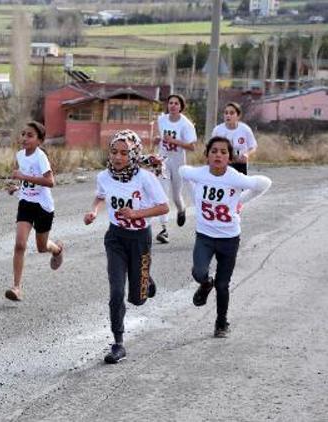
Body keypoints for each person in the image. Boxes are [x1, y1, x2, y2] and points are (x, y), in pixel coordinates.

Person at [84, 130, 169, 364]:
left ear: (133, 154)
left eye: (124, 153)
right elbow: (100, 196)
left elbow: (163, 208)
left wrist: (136, 214)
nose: (118, 157)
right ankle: (118, 343)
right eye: (114, 152)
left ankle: (146, 279)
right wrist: (93, 211)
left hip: (140, 238)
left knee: (138, 299)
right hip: (116, 239)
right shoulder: (103, 177)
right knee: (116, 292)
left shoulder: (145, 179)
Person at [179, 137, 271, 338]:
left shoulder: (234, 177)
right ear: (207, 156)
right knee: (199, 273)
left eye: (223, 152)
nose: (218, 155)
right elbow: (182, 172)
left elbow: (265, 183)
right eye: (213, 151)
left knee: (223, 284)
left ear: (229, 157)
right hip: (205, 235)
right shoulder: (199, 174)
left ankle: (221, 322)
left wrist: (240, 201)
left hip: (229, 237)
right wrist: (194, 195)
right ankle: (205, 284)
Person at [5, 121, 64, 301]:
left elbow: (50, 182)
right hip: (26, 203)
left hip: (43, 206)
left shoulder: (40, 157)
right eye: (23, 134)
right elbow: (26, 180)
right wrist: (17, 186)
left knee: (41, 247)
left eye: (30, 135)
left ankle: (57, 249)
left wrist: (23, 177)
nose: (25, 138)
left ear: (39, 140)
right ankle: (16, 287)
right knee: (20, 245)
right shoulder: (20, 155)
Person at [152, 94, 197, 244]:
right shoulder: (161, 120)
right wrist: (157, 140)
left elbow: (192, 147)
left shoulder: (186, 125)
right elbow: (158, 138)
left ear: (181, 106)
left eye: (176, 103)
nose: (172, 105)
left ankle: (181, 209)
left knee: (176, 195)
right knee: (162, 193)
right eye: (170, 103)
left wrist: (175, 141)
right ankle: (164, 229)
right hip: (163, 160)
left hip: (178, 161)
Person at [211, 102, 258, 175]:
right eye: (226, 113)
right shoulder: (218, 130)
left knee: (239, 185)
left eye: (231, 113)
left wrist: (247, 154)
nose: (228, 116)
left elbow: (253, 147)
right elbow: (211, 148)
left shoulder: (245, 129)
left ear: (238, 116)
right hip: (222, 165)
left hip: (240, 165)